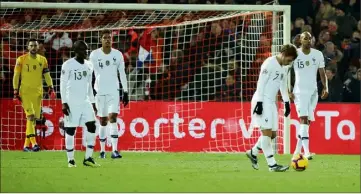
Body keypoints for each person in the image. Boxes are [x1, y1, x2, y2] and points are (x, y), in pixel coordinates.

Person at [245, 44, 298, 172]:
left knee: (272, 134)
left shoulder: (284, 67)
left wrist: (286, 102)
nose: (289, 62)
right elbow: (261, 83)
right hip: (261, 100)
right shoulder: (269, 63)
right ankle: (272, 165)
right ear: (284, 54)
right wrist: (259, 103)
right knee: (267, 134)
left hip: (271, 102)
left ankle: (253, 152)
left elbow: (282, 85)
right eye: (289, 59)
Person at [89, 30, 129, 159]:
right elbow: (90, 75)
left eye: (109, 38)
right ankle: (102, 151)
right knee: (103, 120)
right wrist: (90, 93)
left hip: (114, 91)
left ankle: (115, 150)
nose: (107, 40)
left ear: (112, 40)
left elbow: (122, 73)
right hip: (100, 92)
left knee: (113, 118)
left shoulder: (117, 55)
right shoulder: (94, 55)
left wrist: (126, 91)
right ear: (101, 40)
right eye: (105, 38)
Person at [60, 40, 99, 168]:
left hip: (85, 101)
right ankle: (70, 160)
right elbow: (63, 84)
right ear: (76, 51)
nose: (86, 52)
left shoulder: (89, 65)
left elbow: (89, 86)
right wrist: (64, 103)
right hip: (71, 102)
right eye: (83, 50)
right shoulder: (68, 65)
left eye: (86, 49)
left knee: (92, 126)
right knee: (70, 129)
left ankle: (88, 157)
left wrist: (93, 102)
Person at [12, 38, 55, 152]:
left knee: (33, 120)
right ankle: (34, 144)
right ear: (28, 47)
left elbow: (47, 75)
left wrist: (51, 87)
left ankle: (26, 146)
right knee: (30, 116)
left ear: (38, 47)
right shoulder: (21, 59)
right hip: (25, 93)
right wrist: (15, 90)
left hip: (38, 93)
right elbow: (16, 76)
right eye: (31, 45)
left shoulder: (43, 60)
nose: (33, 48)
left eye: (35, 45)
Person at [291, 32, 328, 160]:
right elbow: (287, 72)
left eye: (309, 38)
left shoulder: (317, 54)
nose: (308, 40)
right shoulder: (295, 54)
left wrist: (325, 87)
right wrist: (288, 89)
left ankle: (296, 150)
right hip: (300, 92)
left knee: (308, 123)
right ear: (300, 40)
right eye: (305, 38)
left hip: (313, 91)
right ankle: (306, 152)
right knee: (304, 120)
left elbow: (322, 73)